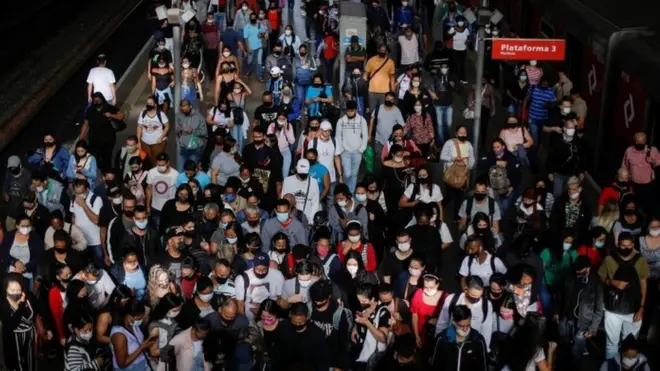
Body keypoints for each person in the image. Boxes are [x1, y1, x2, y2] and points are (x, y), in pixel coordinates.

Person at [599, 231, 649, 359]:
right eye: (623, 246)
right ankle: (611, 366)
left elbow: (644, 285)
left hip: (634, 309)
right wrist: (612, 282)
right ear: (618, 245)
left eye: (629, 246)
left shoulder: (641, 260)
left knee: (630, 343)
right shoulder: (609, 260)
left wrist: (642, 308)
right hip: (613, 309)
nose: (626, 248)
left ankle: (627, 365)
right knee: (612, 343)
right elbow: (601, 277)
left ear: (632, 244)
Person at [555, 255, 603, 367]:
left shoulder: (595, 283)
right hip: (566, 318)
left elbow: (598, 308)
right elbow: (560, 295)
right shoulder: (569, 276)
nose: (577, 271)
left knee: (577, 350)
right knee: (564, 345)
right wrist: (556, 311)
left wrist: (593, 328)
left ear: (588, 268)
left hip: (583, 323)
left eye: (580, 269)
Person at [430, 304, 488, 370]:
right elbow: (436, 366)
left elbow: (482, 367)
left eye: (468, 325)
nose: (465, 329)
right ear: (453, 322)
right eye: (461, 326)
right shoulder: (442, 339)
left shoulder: (477, 340)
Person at [81, 92, 125, 171]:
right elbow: (85, 124)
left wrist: (111, 115)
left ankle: (107, 173)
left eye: (98, 100)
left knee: (106, 157)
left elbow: (121, 116)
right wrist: (81, 137)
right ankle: (98, 172)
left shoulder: (109, 108)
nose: (97, 102)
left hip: (108, 139)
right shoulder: (90, 110)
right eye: (95, 101)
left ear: (102, 99)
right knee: (94, 158)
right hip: (94, 140)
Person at [621, 132, 660, 217]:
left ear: (645, 141)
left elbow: (659, 163)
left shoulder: (653, 150)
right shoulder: (629, 151)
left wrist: (652, 161)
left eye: (642, 141)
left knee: (649, 208)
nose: (639, 143)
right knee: (633, 207)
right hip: (633, 185)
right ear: (634, 141)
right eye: (637, 141)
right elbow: (624, 166)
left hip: (648, 186)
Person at [176, 99, 207, 171]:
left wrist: (193, 131)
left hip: (195, 149)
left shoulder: (199, 117)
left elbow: (204, 132)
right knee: (181, 170)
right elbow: (177, 130)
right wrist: (179, 131)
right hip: (183, 147)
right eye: (183, 110)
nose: (184, 111)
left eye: (186, 109)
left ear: (190, 106)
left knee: (192, 170)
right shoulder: (179, 116)